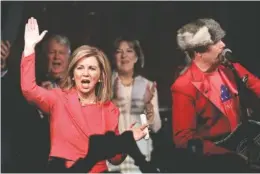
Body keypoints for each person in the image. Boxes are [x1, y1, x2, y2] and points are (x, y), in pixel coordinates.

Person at [20, 17, 148, 173]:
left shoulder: (109, 109)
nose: (86, 73)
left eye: (92, 69)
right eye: (80, 68)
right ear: (73, 74)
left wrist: (127, 140)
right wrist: (29, 48)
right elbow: (28, 89)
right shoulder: (58, 98)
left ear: (100, 76)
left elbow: (114, 159)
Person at [171, 18, 260, 156]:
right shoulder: (184, 86)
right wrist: (225, 155)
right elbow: (183, 139)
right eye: (215, 42)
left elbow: (256, 86)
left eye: (221, 40)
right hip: (217, 159)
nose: (223, 45)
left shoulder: (231, 68)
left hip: (244, 150)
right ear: (198, 52)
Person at [108, 36, 162, 173]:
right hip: (111, 157)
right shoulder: (103, 85)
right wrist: (112, 99)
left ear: (137, 57)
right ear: (114, 57)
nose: (124, 55)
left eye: (129, 51)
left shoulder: (147, 86)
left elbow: (156, 127)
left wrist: (148, 104)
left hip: (138, 157)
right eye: (119, 51)